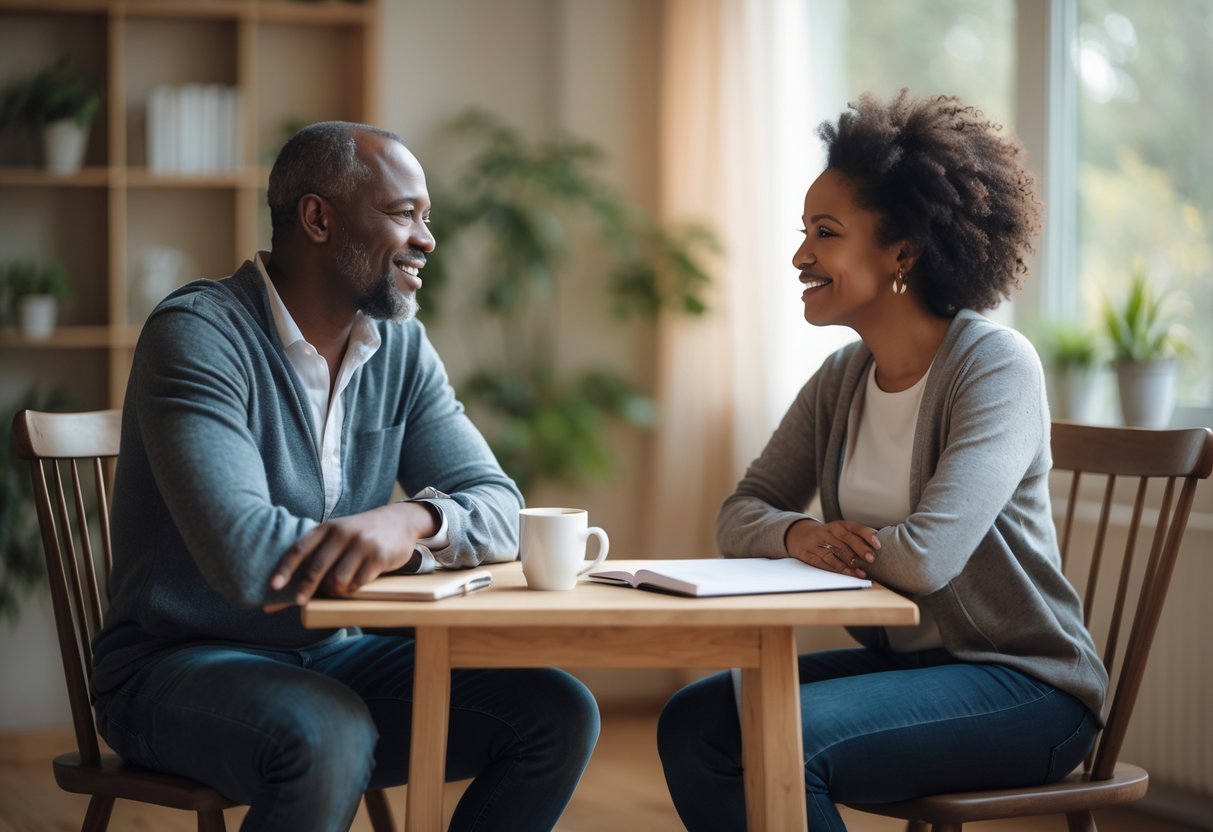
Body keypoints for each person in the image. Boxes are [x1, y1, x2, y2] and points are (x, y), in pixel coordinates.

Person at [90, 121, 599, 832]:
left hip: (332, 652)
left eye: (427, 218)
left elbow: (500, 505)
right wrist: (387, 544)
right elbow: (245, 558)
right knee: (328, 732)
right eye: (402, 214)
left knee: (556, 712)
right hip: (177, 666)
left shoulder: (400, 350)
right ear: (318, 218)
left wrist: (411, 521)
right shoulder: (198, 332)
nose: (426, 238)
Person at [656, 90, 1108, 831]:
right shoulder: (842, 377)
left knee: (784, 737)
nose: (800, 256)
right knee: (695, 720)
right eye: (803, 232)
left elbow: (927, 559)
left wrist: (822, 546)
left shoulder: (994, 367)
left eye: (824, 233)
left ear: (900, 251)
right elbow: (739, 513)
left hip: (1027, 685)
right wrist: (798, 536)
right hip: (915, 671)